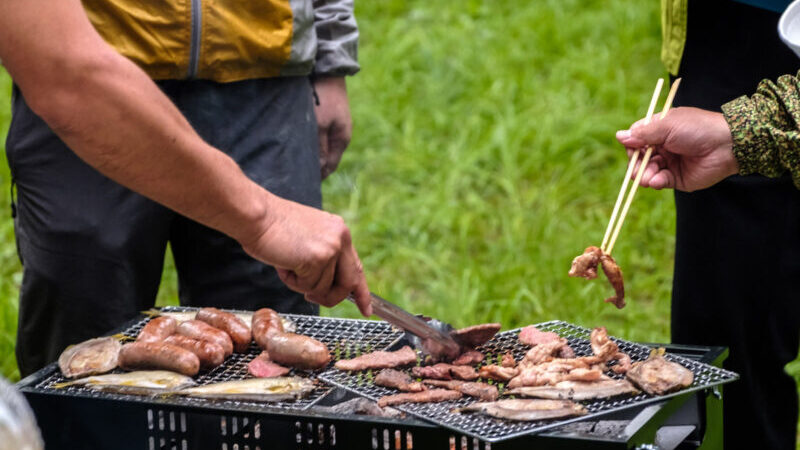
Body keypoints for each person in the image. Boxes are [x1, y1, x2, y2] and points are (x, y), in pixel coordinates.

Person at [0, 0, 372, 377]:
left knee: (267, 360)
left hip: (263, 65)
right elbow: (62, 68)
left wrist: (330, 54)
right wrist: (266, 221)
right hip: (91, 76)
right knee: (83, 335)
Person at [616, 69, 800, 448]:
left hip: (774, 43)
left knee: (749, 353)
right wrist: (732, 138)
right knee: (710, 338)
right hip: (706, 38)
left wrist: (738, 134)